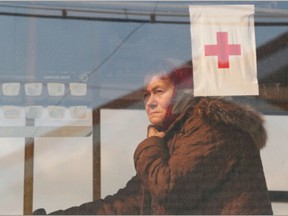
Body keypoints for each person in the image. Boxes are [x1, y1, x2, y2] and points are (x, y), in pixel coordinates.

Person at [34, 61, 273, 215]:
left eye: (159, 91)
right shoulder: (175, 141)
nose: (150, 102)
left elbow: (170, 189)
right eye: (147, 94)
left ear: (182, 93)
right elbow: (125, 203)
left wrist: (151, 142)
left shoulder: (210, 127)